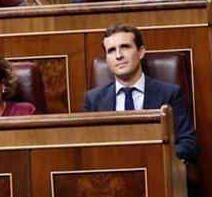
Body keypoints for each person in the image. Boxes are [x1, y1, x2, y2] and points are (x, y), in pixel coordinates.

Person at [81, 23, 198, 163]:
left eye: (125, 47)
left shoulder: (170, 94)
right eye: (111, 50)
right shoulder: (92, 100)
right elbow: (84, 150)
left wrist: (150, 157)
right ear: (106, 58)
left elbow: (189, 144)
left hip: (156, 172)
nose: (118, 55)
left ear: (141, 51)